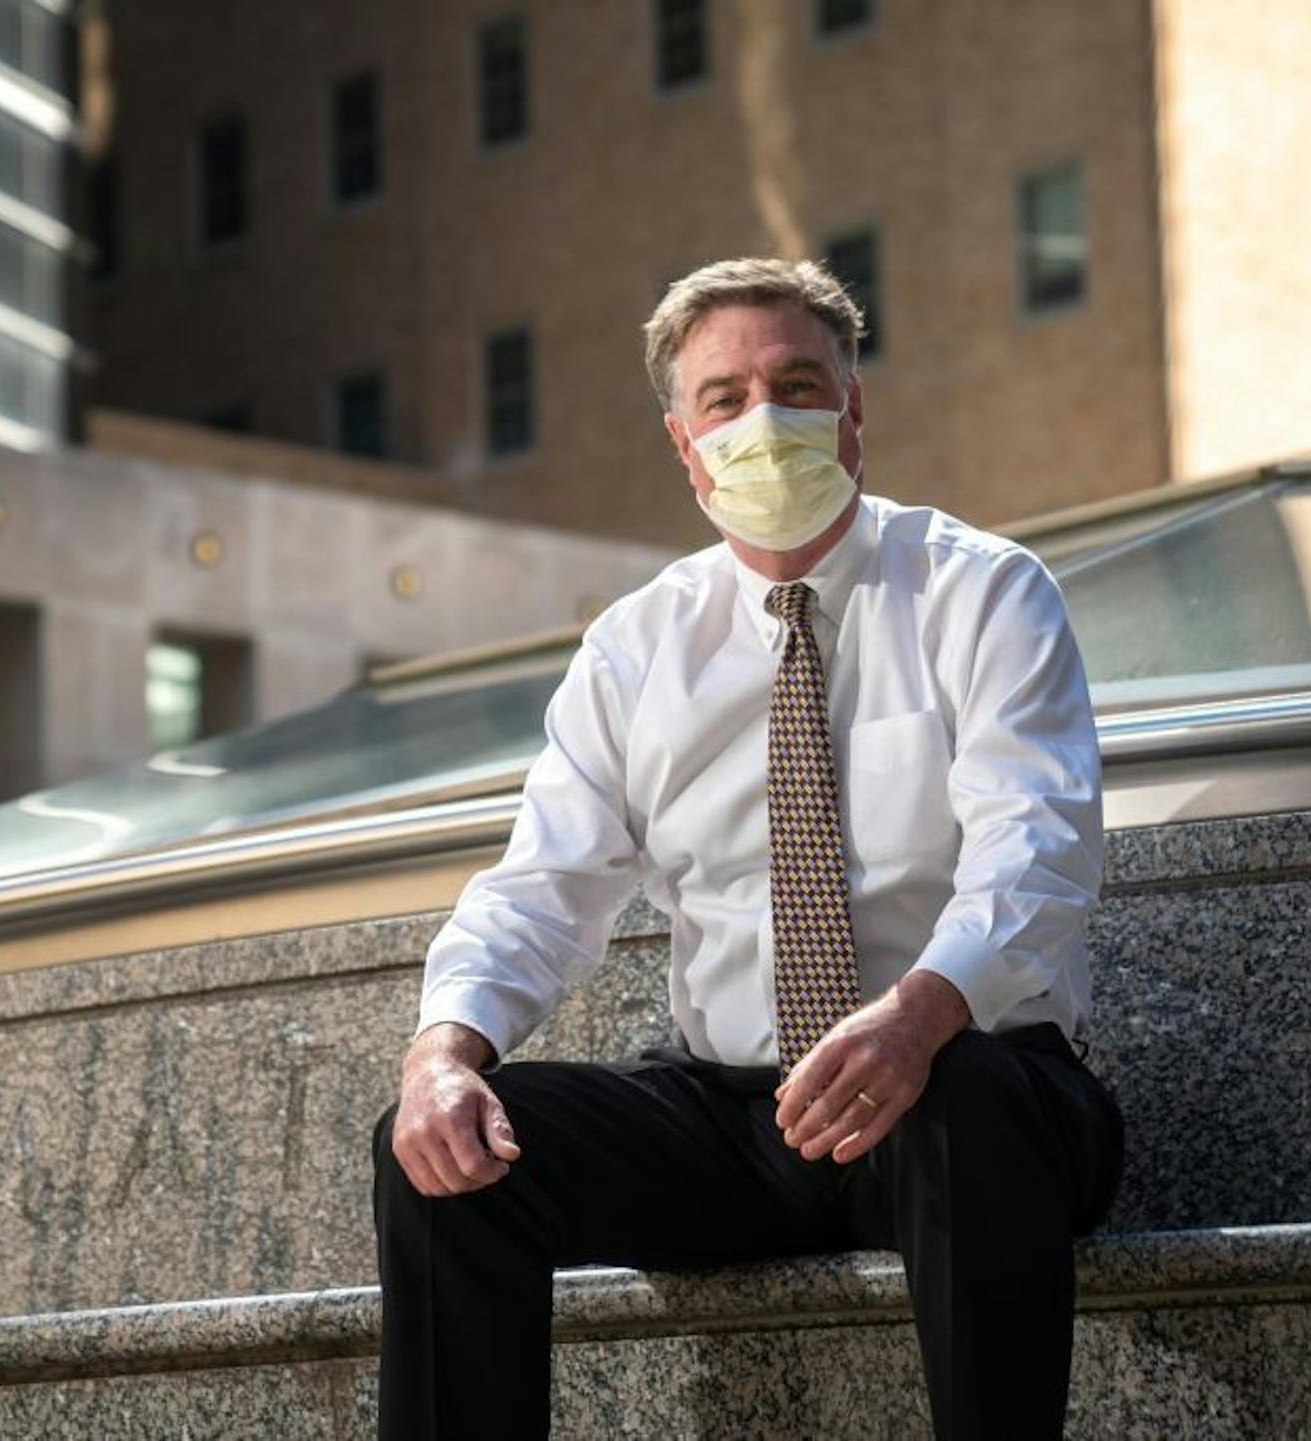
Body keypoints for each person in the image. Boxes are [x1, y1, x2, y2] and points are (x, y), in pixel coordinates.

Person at [372, 257, 1124, 1440]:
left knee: (964, 1092)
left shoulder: (983, 593)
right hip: (744, 1117)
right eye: (725, 399)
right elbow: (537, 892)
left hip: (973, 1087)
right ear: (685, 443)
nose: (763, 420)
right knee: (446, 1153)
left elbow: (1039, 851)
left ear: (854, 409)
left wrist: (920, 1012)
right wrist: (440, 1059)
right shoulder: (635, 650)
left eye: (796, 384)